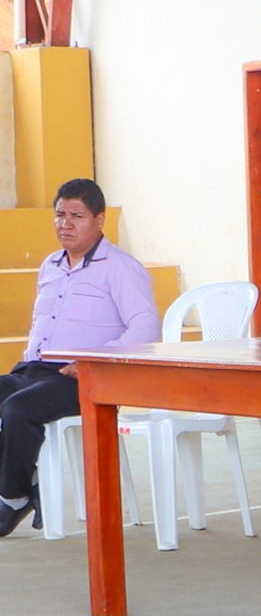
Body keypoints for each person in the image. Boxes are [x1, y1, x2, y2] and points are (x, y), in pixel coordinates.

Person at [0, 180, 159, 539]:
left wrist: (95, 361)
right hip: (35, 369)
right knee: (7, 398)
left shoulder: (120, 267)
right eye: (60, 215)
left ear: (99, 220)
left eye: (77, 216)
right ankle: (22, 481)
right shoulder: (51, 265)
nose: (65, 224)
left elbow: (146, 327)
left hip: (84, 376)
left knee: (17, 410)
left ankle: (13, 497)